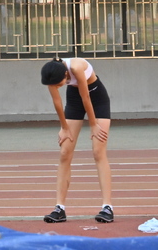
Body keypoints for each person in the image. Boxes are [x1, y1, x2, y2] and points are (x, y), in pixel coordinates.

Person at [40, 56, 113, 225]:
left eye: (60, 84)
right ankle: (59, 208)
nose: (57, 87)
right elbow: (57, 102)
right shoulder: (52, 73)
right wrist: (64, 127)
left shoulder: (77, 67)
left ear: (66, 74)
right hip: (74, 100)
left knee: (98, 151)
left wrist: (93, 124)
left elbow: (86, 98)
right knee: (65, 152)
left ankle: (107, 207)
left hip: (96, 98)